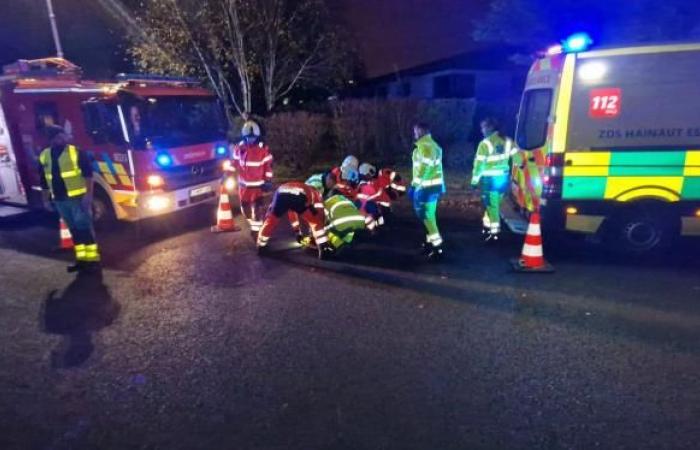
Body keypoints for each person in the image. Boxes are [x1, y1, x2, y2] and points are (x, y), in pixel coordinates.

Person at [38, 125, 101, 274]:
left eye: (63, 135)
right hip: (60, 200)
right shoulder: (44, 155)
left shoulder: (76, 152)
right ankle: (81, 260)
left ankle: (93, 261)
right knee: (74, 231)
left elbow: (88, 175)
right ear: (52, 139)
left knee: (84, 229)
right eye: (59, 136)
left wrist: (88, 196)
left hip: (78, 199)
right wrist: (46, 200)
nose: (63, 138)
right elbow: (43, 180)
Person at [257, 177, 334, 260]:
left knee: (271, 221)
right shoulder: (315, 192)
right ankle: (324, 250)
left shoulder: (299, 185)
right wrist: (318, 229)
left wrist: (297, 231)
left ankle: (261, 246)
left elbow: (291, 211)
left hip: (280, 193)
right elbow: (318, 214)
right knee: (315, 222)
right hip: (298, 196)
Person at [471, 117, 516, 241]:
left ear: (490, 127)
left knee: (492, 206)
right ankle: (487, 226)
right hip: (503, 180)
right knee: (493, 205)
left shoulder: (485, 144)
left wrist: (474, 181)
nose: (482, 130)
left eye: (483, 127)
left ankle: (494, 233)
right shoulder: (508, 141)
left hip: (490, 181)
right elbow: (517, 158)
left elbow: (479, 165)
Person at [409, 122, 445, 260]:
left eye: (416, 131)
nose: (414, 133)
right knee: (427, 217)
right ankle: (430, 243)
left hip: (426, 188)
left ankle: (437, 247)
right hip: (431, 187)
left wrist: (414, 185)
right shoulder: (430, 145)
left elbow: (424, 169)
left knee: (427, 217)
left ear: (421, 131)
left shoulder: (425, 146)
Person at [232, 122, 274, 239]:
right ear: (244, 136)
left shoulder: (263, 150)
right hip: (243, 188)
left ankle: (257, 233)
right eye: (248, 137)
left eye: (253, 137)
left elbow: (268, 167)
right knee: (245, 211)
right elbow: (234, 164)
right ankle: (255, 225)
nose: (251, 139)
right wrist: (227, 174)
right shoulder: (239, 149)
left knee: (257, 211)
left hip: (257, 188)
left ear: (257, 137)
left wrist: (268, 181)